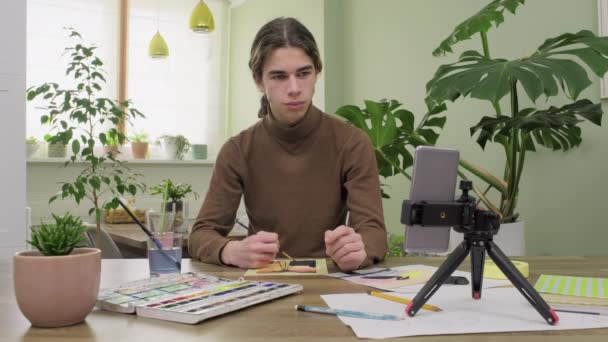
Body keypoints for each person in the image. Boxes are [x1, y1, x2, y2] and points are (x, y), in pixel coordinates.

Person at [188, 17, 386, 272]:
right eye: (279, 76)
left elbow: (374, 233)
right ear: (259, 81)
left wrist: (359, 250)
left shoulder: (352, 142)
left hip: (333, 281)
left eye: (303, 73)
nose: (294, 88)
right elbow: (201, 234)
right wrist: (232, 250)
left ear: (317, 73)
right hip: (263, 284)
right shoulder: (237, 150)